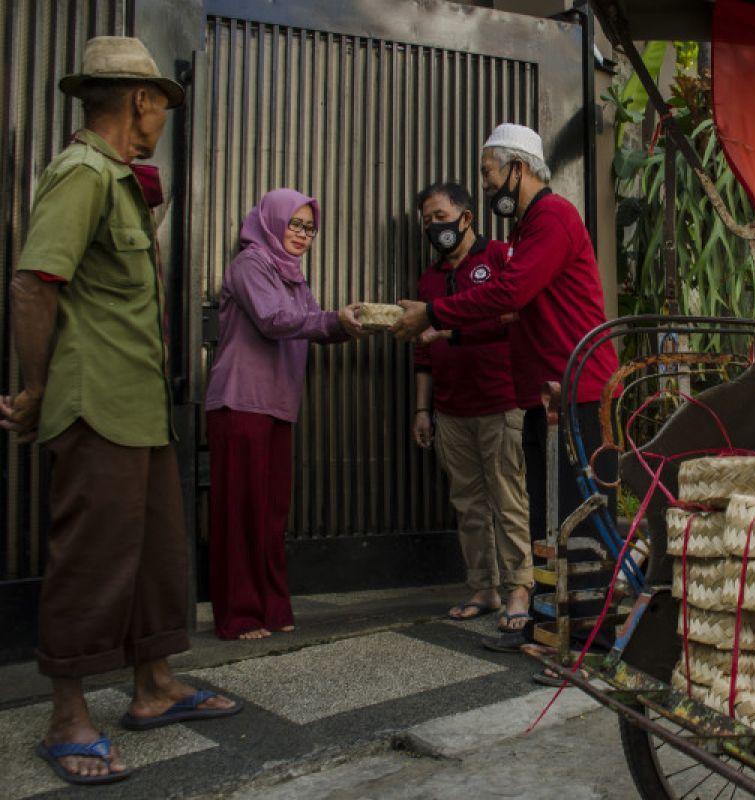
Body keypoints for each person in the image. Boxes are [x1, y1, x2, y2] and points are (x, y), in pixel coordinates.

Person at [0, 36, 241, 786]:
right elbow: (35, 283)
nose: (164, 116)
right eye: (162, 103)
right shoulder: (81, 173)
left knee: (156, 562)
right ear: (140, 101)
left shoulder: (122, 179)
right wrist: (38, 389)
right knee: (93, 562)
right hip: (95, 400)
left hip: (136, 404)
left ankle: (154, 686)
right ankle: (67, 716)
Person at [391, 124, 620, 656]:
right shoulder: (526, 229)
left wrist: (433, 311)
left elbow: (510, 291)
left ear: (518, 168)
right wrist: (450, 328)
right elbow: (515, 313)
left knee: (579, 515)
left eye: (488, 172)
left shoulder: (554, 217)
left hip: (579, 389)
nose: (486, 182)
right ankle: (555, 627)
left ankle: (591, 640)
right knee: (549, 516)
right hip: (546, 396)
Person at [204, 188, 365, 640]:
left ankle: (271, 608)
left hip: (277, 405)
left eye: (309, 228)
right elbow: (275, 320)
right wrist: (333, 319)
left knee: (271, 513)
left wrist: (356, 324)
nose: (302, 234)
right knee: (240, 513)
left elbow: (314, 325)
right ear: (271, 221)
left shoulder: (294, 276)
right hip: (240, 401)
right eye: (294, 224)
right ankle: (238, 615)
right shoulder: (251, 264)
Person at [412, 181, 533, 632]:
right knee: (468, 502)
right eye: (427, 221)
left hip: (500, 401)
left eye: (441, 217)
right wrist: (423, 411)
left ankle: (519, 587)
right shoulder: (428, 278)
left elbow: (514, 319)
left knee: (508, 498)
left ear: (466, 217)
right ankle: (484, 587)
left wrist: (451, 331)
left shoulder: (499, 257)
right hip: (450, 410)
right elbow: (422, 353)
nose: (434, 227)